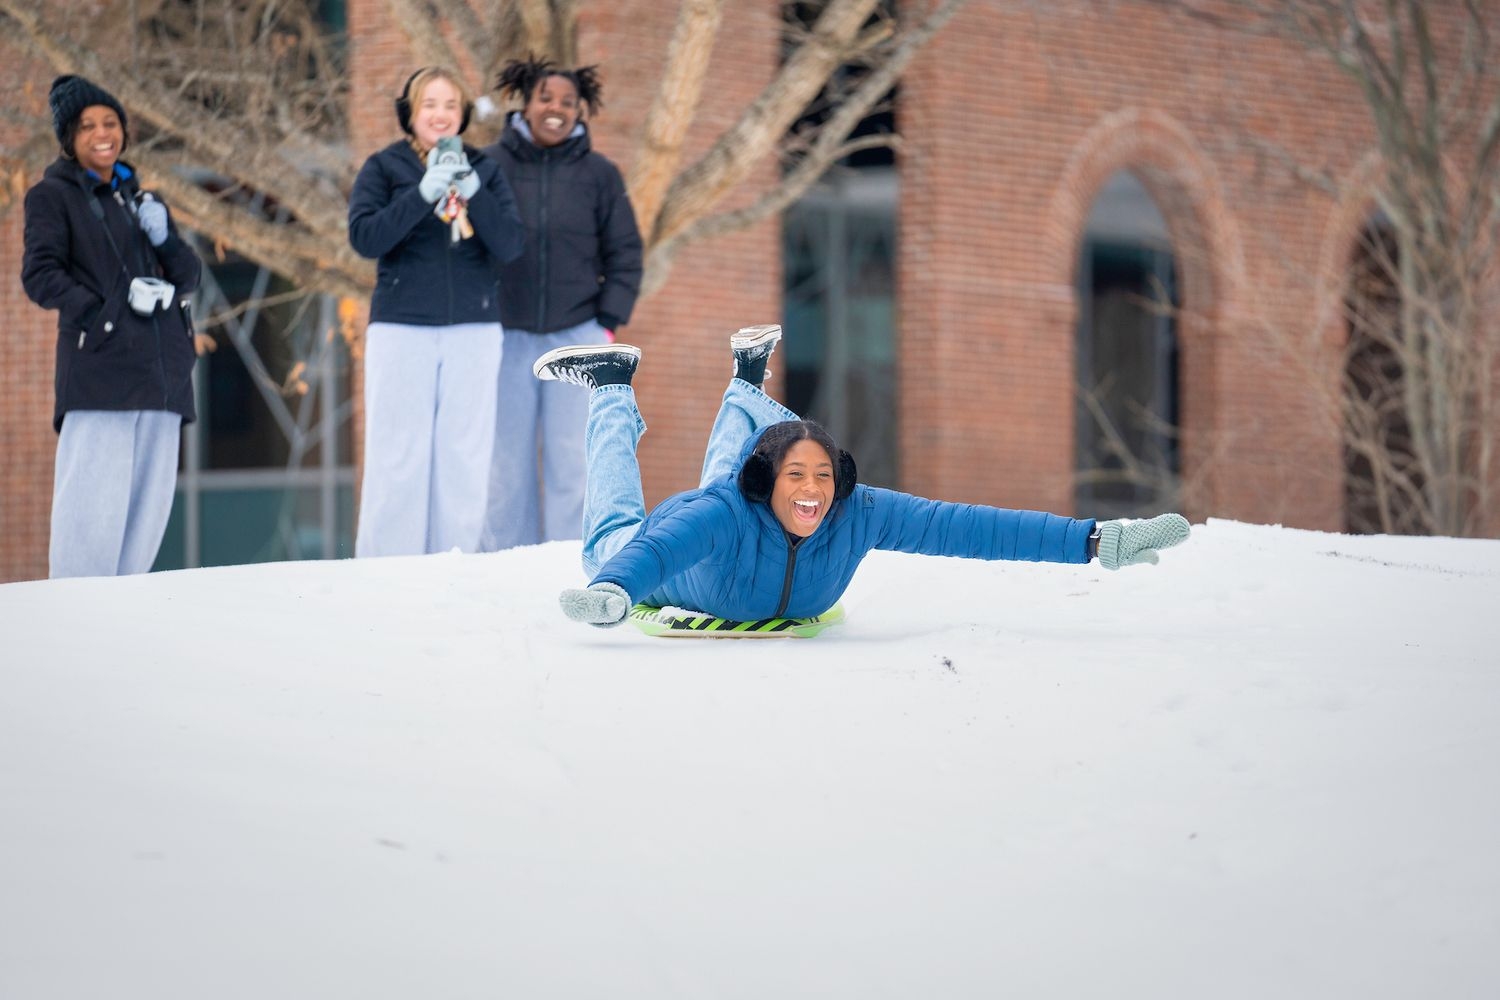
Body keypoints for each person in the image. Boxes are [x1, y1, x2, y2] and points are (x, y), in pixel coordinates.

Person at [538, 325, 1192, 628]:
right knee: (612, 536)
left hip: (735, 506)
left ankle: (745, 379)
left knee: (732, 471)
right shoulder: (719, 515)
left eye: (823, 475)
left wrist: (1096, 540)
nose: (813, 491)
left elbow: (967, 528)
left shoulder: (855, 513)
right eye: (797, 476)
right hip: (681, 547)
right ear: (768, 485)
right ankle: (611, 389)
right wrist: (615, 591)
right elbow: (653, 552)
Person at [21, 75, 203, 579]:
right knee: (89, 529)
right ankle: (76, 634)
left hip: (162, 382)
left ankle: (123, 638)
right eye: (87, 126)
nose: (103, 133)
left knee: (141, 535)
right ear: (68, 139)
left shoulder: (140, 199)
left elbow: (188, 276)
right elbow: (39, 275)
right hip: (100, 377)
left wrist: (163, 237)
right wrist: (105, 319)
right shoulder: (52, 197)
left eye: (111, 122)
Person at [348, 66, 524, 557]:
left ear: (463, 113)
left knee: (464, 453)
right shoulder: (384, 167)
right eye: (429, 104)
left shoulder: (485, 169)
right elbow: (365, 237)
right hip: (403, 328)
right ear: (410, 112)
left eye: (450, 105)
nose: (440, 115)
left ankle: (456, 562)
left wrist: (474, 193)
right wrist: (422, 193)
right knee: (399, 451)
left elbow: (510, 243)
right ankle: (389, 564)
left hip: (474, 328)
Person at [479, 56, 643, 553]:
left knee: (574, 457)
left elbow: (626, 252)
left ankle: (570, 557)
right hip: (504, 335)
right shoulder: (489, 167)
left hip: (578, 335)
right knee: (505, 461)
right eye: (546, 98)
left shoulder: (600, 174)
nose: (556, 109)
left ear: (580, 111)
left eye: (568, 102)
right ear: (525, 103)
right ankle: (505, 562)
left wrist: (606, 323)